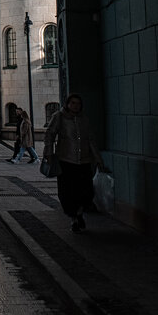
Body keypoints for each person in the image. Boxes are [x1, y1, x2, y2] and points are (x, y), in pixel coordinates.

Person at [43, 93, 104, 232]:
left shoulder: (84, 119)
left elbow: (91, 140)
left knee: (86, 191)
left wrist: (98, 160)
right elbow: (50, 134)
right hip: (66, 160)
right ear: (67, 104)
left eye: (78, 103)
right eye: (73, 103)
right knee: (68, 192)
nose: (76, 106)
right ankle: (74, 218)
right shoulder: (59, 117)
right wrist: (49, 153)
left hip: (84, 161)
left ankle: (79, 212)